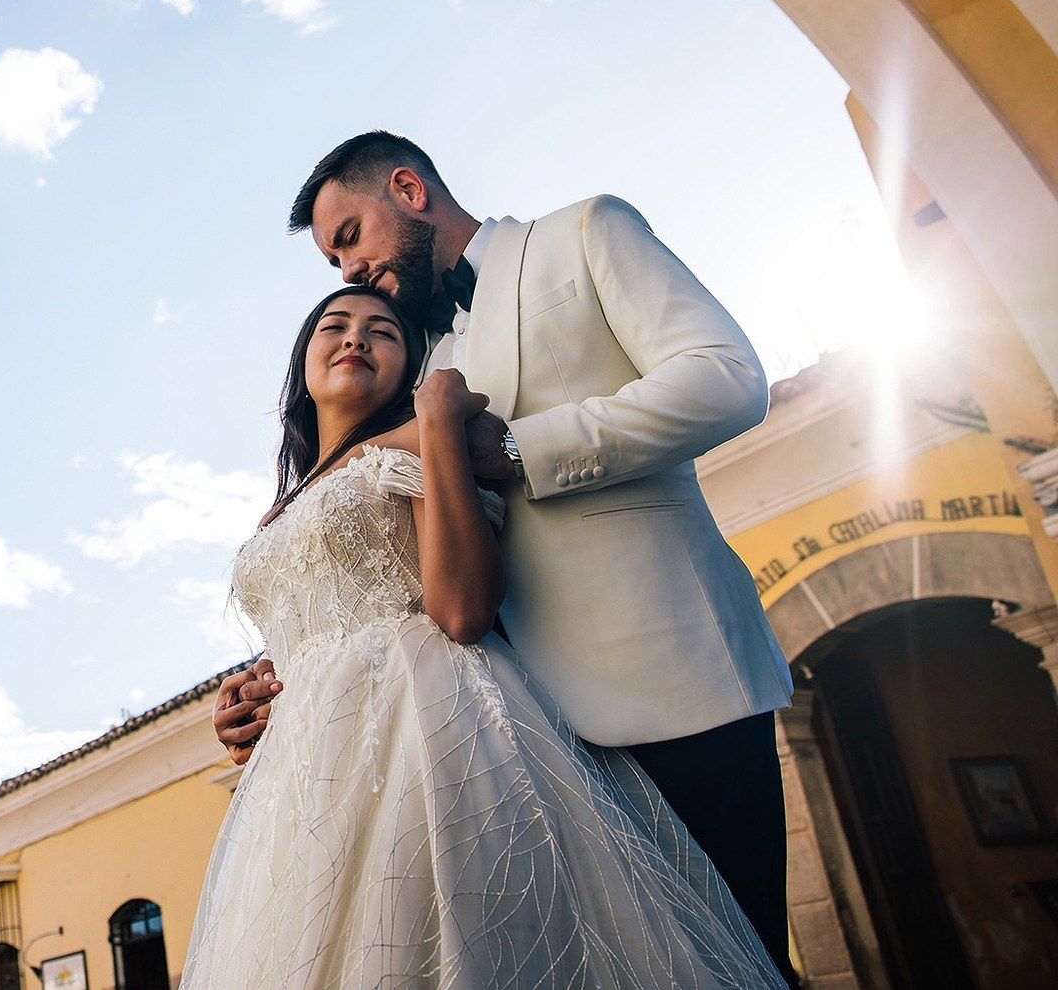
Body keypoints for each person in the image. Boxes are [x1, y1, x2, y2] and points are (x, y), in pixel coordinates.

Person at [216, 132, 796, 981]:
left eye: (348, 238)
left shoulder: (584, 233)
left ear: (408, 189)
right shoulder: (409, 356)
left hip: (666, 682)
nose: (347, 270)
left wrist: (523, 449)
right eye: (334, 265)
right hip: (501, 740)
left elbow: (725, 377)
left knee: (734, 962)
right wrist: (289, 675)